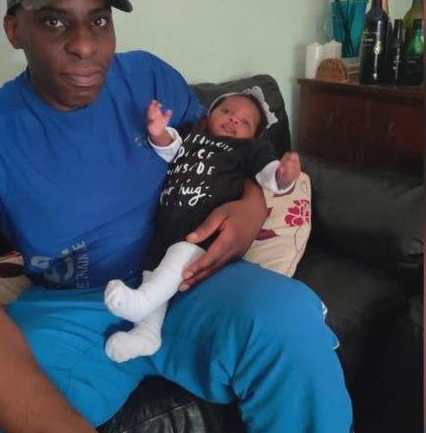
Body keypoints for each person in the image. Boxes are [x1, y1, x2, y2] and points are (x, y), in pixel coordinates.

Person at [0, 0, 354, 433]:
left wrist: (254, 204)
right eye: (53, 21)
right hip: (72, 310)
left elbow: (224, 156)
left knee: (290, 321)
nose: (86, 45)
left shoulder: (150, 78)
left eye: (98, 21)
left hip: (188, 282)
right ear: (14, 29)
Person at [104, 91, 303, 362]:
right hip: (168, 226)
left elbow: (268, 176)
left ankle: (141, 303)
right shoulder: (191, 138)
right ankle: (146, 333)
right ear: (209, 115)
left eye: (244, 122)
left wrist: (283, 176)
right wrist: (157, 131)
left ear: (254, 135)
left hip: (205, 232)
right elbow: (168, 150)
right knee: (153, 268)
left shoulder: (248, 150)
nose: (234, 120)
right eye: (227, 112)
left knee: (177, 258)